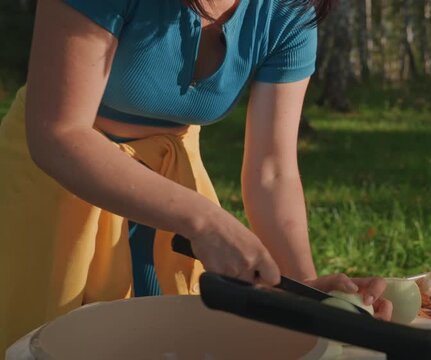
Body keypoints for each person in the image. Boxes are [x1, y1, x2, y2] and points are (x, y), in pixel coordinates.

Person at [0, 0, 392, 352]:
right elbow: (59, 133)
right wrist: (203, 221)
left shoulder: (289, 10)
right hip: (54, 185)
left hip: (171, 192)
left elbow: (272, 172)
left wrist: (304, 289)